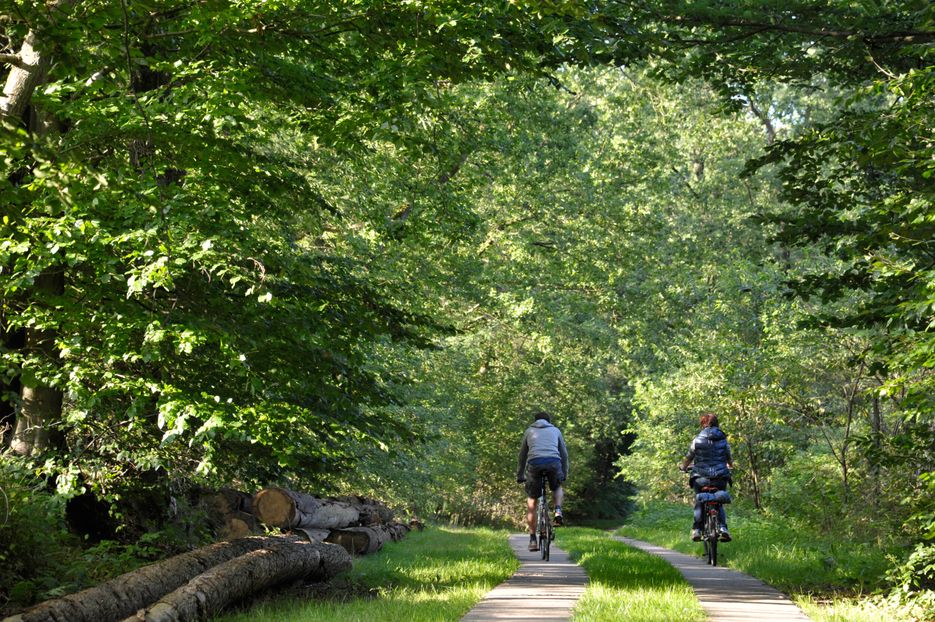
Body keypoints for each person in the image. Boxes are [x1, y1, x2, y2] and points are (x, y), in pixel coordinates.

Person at [516, 410, 569, 551]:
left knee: (532, 500)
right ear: (549, 421)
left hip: (535, 463)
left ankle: (533, 539)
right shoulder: (555, 430)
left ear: (535, 420)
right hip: (553, 462)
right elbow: (564, 454)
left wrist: (520, 475)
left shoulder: (529, 431)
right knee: (557, 487)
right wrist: (564, 473)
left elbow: (522, 456)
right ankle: (558, 510)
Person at [680, 413, 733, 542]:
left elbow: (689, 457)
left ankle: (697, 529)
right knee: (718, 499)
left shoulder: (697, 440)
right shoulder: (723, 440)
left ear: (703, 424)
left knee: (700, 500)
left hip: (701, 477)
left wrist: (683, 467)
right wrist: (730, 466)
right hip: (720, 477)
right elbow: (729, 457)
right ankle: (723, 528)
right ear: (717, 424)